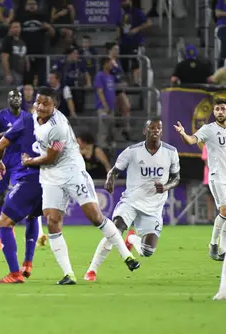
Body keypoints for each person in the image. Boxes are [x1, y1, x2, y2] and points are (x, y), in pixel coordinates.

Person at [23, 87, 141, 285]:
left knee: (95, 217)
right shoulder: (34, 116)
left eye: (46, 104)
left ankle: (126, 255)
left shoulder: (58, 127)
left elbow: (51, 157)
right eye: (38, 102)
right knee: (52, 220)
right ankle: (68, 274)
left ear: (55, 106)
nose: (41, 107)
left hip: (72, 172)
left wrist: (28, 161)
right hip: (51, 176)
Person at [85, 118, 181, 281]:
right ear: (145, 131)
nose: (155, 131)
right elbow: (114, 170)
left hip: (154, 208)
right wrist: (110, 180)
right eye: (152, 128)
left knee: (147, 251)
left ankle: (132, 238)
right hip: (131, 202)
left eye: (159, 128)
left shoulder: (171, 152)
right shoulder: (132, 151)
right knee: (114, 230)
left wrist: (165, 187)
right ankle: (92, 271)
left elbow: (176, 177)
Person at [174, 99, 226, 300]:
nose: (220, 111)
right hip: (217, 177)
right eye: (218, 109)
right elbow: (191, 141)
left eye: (223, 109)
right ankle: (213, 245)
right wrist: (183, 134)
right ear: (214, 112)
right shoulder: (209, 129)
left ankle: (217, 244)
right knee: (224, 210)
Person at [0, 94, 43, 283]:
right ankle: (28, 262)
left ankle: (14, 273)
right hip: (51, 180)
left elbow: (0, 144)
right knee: (33, 216)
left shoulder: (27, 120)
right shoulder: (59, 123)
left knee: (4, 223)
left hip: (28, 177)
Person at [0, 89, 25, 250]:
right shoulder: (0, 116)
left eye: (18, 96)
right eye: (12, 97)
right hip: (2, 160)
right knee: (1, 196)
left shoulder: (26, 117)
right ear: (8, 100)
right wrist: (8, 133)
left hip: (19, 161)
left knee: (18, 193)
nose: (16, 99)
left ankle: (10, 226)